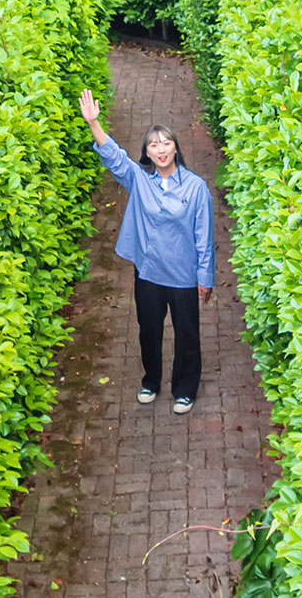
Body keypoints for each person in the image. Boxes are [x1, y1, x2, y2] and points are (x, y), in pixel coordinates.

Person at [79, 89, 215, 414]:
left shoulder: (195, 187)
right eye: (153, 145)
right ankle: (150, 381)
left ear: (176, 149)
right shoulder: (139, 179)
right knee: (148, 331)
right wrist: (94, 124)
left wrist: (204, 278)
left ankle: (184, 390)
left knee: (187, 335)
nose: (161, 149)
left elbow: (204, 237)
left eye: (166, 143)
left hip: (183, 275)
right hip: (149, 273)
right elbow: (114, 156)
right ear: (148, 153)